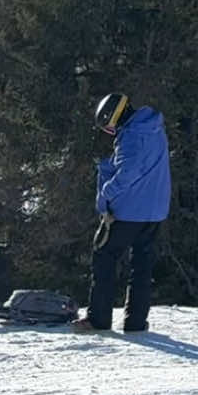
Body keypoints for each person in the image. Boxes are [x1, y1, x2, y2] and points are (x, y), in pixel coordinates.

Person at [72, 92, 171, 334]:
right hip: (155, 209)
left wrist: (105, 194)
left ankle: (98, 319)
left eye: (108, 127)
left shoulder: (131, 137)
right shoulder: (152, 126)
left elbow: (128, 173)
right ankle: (136, 322)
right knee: (142, 265)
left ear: (114, 118)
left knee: (104, 257)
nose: (110, 132)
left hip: (128, 211)